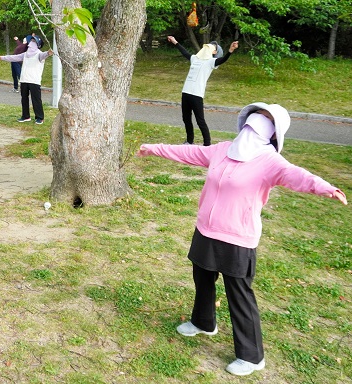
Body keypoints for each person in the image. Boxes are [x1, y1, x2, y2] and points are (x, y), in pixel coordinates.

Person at [136, 102, 347, 376]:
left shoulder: (270, 162)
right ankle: (203, 322)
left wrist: (325, 188)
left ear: (274, 132)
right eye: (257, 115)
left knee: (239, 295)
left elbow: (297, 175)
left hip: (238, 238)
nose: (258, 121)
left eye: (266, 118)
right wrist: (154, 148)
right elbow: (190, 152)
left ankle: (251, 356)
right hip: (206, 231)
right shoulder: (223, 150)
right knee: (202, 279)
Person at [167, 36, 239, 146]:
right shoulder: (195, 58)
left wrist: (230, 50)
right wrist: (175, 42)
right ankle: (189, 141)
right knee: (186, 119)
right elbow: (184, 52)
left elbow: (223, 60)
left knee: (200, 120)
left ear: (214, 51)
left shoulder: (211, 62)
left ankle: (207, 144)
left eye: (214, 46)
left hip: (197, 95)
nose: (210, 45)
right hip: (186, 92)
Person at [0, 34, 53, 125]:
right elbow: (13, 57)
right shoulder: (25, 54)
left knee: (36, 99)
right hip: (24, 80)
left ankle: (40, 117)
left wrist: (49, 53)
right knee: (24, 99)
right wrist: (1, 57)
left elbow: (45, 54)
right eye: (31, 41)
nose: (30, 43)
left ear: (37, 45)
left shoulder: (39, 54)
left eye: (33, 41)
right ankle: (26, 116)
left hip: (34, 81)